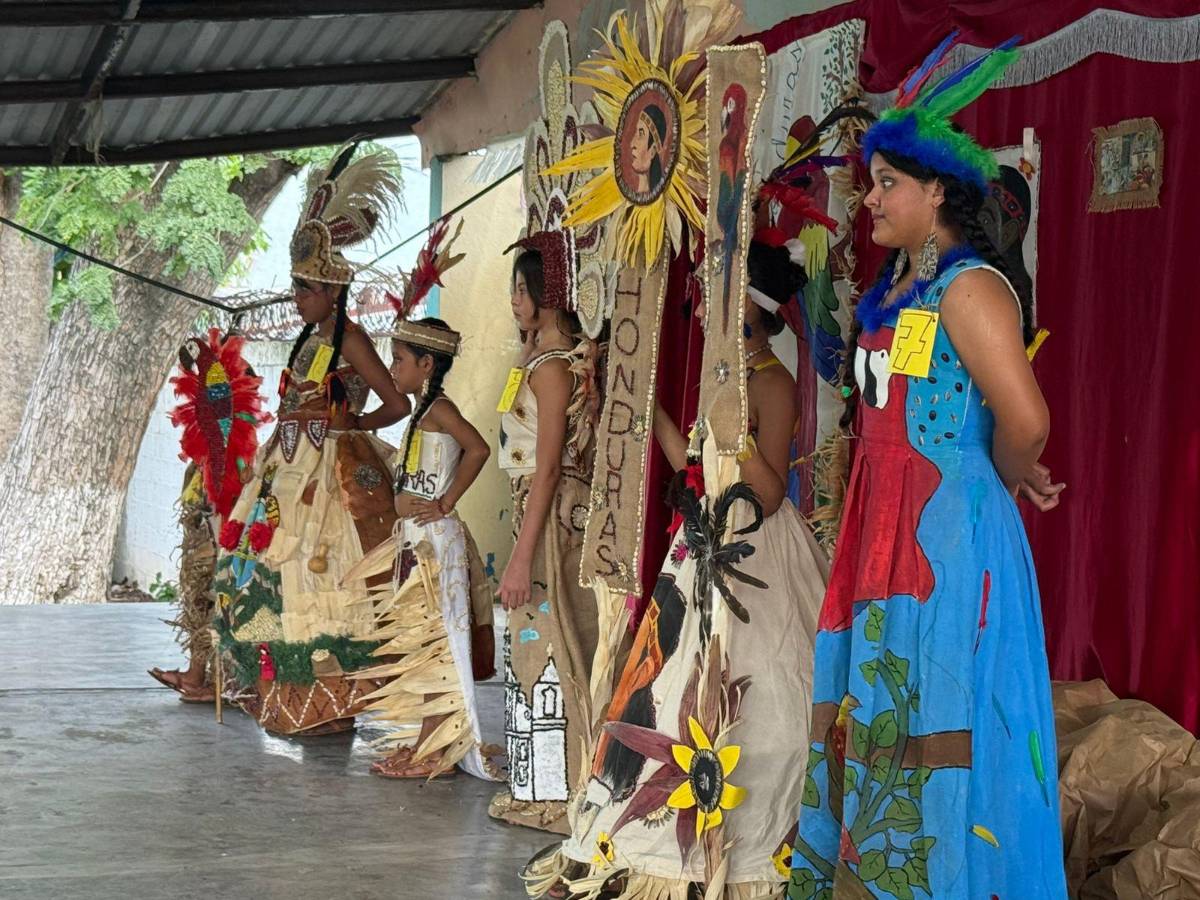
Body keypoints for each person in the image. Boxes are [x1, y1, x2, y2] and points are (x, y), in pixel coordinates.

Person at [789, 37, 1068, 898]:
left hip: (945, 540)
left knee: (942, 713)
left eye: (886, 184)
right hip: (884, 528)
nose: (870, 199)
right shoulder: (898, 294)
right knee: (885, 710)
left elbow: (1028, 420)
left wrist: (1000, 474)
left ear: (937, 191)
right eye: (870, 183)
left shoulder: (968, 288)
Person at [524, 236, 830, 899]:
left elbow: (768, 493)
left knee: (762, 707)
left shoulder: (772, 383)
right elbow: (690, 461)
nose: (703, 309)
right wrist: (645, 406)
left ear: (749, 309)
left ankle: (737, 860)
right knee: (659, 695)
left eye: (717, 299)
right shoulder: (724, 379)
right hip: (699, 551)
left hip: (755, 556)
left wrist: (732, 428)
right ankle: (641, 854)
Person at [210, 145, 411, 736]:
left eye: (304, 289)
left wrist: (354, 428)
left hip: (331, 477)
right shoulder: (309, 338)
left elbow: (396, 404)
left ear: (331, 290)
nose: (296, 298)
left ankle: (335, 702)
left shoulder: (352, 339)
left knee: (325, 580)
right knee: (278, 576)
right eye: (296, 288)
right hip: (288, 466)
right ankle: (298, 700)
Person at [490, 230, 602, 834]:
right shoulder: (540, 360)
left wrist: (520, 557)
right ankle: (539, 783)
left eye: (521, 288)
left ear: (547, 292)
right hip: (535, 509)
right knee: (532, 642)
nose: (514, 299)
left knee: (550, 640)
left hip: (552, 517)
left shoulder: (555, 368)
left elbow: (551, 466)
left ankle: (562, 787)